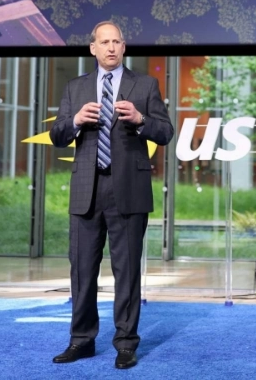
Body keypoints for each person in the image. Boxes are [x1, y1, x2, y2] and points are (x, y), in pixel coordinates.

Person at [50, 21, 174, 369]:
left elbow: (165, 132)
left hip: (128, 191)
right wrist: (74, 121)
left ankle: (125, 343)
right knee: (83, 271)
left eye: (117, 41)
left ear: (124, 47)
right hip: (87, 190)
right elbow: (58, 134)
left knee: (127, 270)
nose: (111, 47)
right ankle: (82, 340)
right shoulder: (76, 88)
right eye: (104, 42)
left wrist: (139, 119)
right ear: (92, 48)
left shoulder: (144, 84)